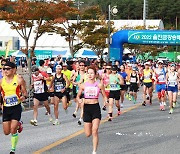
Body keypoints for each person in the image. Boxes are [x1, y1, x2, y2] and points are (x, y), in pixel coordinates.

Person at [76, 66, 108, 154]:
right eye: (88, 73)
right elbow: (78, 96)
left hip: (95, 108)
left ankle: (94, 151)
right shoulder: (83, 85)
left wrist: (106, 102)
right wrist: (79, 100)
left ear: (95, 74)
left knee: (95, 130)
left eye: (92, 73)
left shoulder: (99, 85)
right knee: (87, 134)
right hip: (86, 108)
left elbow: (104, 96)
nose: (90, 75)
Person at [0, 61, 28, 154]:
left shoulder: (19, 79)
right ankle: (19, 125)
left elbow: (25, 93)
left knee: (12, 130)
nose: (5, 71)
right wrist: (1, 104)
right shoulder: (1, 81)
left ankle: (13, 149)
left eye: (8, 69)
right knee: (6, 132)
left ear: (13, 70)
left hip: (16, 107)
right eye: (4, 69)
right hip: (6, 108)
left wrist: (23, 97)